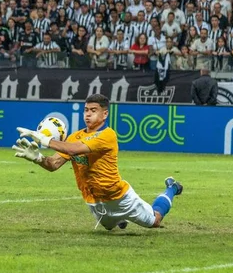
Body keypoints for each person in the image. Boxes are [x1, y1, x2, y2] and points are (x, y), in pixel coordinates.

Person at [12, 94, 183, 231]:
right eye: (86, 110)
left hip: (119, 198)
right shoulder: (74, 137)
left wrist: (45, 140)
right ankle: (119, 219)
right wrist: (38, 158)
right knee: (109, 228)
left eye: (93, 110)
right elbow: (53, 165)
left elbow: (73, 150)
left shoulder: (107, 135)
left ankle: (171, 188)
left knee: (155, 221)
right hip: (94, 203)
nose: (88, 114)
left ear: (105, 114)